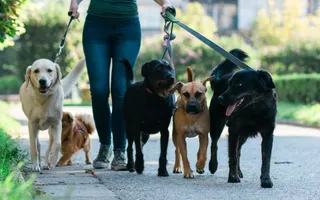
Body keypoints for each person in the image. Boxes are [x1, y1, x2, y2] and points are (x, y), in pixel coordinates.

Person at [69, 0, 172, 170]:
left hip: (127, 27)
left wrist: (165, 4)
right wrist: (74, 3)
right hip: (96, 26)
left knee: (120, 91)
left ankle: (120, 150)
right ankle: (105, 146)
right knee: (99, 90)